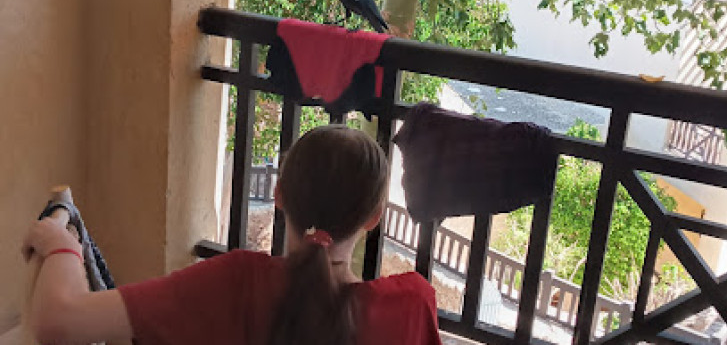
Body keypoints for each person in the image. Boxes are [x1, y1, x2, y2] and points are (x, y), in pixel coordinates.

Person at [23, 125, 442, 345]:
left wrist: (63, 244)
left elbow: (59, 321)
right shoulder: (410, 308)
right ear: (374, 218)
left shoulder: (236, 283)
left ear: (278, 195)